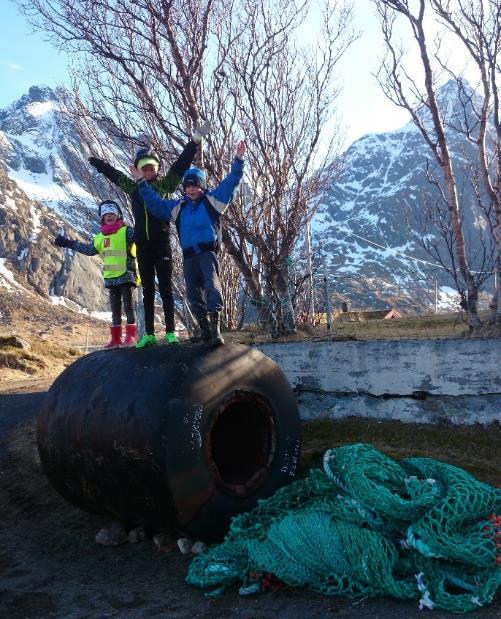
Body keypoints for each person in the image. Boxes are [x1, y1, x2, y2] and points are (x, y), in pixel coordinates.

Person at [88, 122, 211, 348]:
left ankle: (171, 332)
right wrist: (99, 164)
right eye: (144, 168)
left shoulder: (165, 185)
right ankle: (149, 334)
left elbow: (181, 164)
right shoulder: (133, 186)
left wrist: (195, 141)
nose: (148, 171)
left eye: (151, 167)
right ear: (137, 169)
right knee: (147, 290)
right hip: (142, 246)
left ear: (157, 169)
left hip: (162, 243)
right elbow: (114, 175)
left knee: (165, 288)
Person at [129, 140, 246, 347]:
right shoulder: (178, 207)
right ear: (184, 188)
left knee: (212, 286)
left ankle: (215, 329)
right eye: (189, 185)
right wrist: (141, 184)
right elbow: (155, 204)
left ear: (202, 186)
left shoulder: (213, 202)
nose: (192, 189)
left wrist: (238, 160)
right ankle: (204, 330)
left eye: (196, 185)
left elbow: (232, 181)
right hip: (189, 255)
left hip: (207, 253)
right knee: (193, 293)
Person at [54, 201, 139, 348]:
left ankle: (131, 336)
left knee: (128, 306)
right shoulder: (100, 237)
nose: (109, 216)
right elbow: (89, 250)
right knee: (115, 308)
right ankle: (116, 338)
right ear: (102, 218)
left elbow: (141, 237)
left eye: (112, 213)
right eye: (106, 214)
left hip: (127, 274)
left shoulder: (127, 231)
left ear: (118, 215)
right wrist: (68, 243)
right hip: (111, 277)